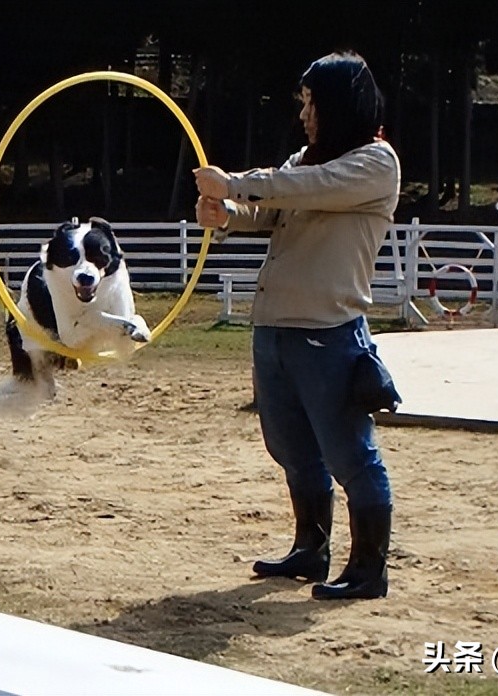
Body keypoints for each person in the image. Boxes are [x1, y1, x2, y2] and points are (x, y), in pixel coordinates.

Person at [193, 51, 399, 600]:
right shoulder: (305, 162)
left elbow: (305, 188)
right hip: (276, 329)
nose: (304, 115)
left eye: (312, 103)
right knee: (291, 448)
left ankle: (368, 568)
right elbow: (270, 209)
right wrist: (226, 214)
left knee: (350, 454)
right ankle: (311, 549)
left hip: (329, 333)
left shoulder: (375, 164)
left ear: (339, 106)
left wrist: (234, 184)